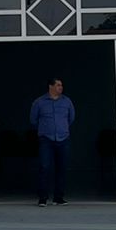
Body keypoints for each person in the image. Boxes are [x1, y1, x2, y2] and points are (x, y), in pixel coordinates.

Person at [28, 77, 75, 205]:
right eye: (58, 85)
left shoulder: (67, 101)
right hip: (46, 139)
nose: (61, 87)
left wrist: (62, 128)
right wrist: (45, 129)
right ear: (51, 86)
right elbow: (33, 120)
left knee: (62, 168)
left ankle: (58, 197)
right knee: (44, 167)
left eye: (61, 85)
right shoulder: (39, 102)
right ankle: (43, 197)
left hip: (63, 138)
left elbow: (71, 118)